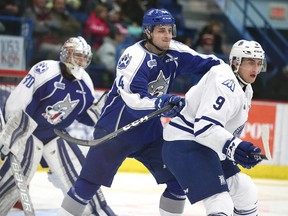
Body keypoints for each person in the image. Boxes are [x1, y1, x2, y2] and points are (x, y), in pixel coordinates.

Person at [58, 8, 223, 216]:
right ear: (148, 32)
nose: (167, 35)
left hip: (150, 131)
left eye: (170, 30)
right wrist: (161, 103)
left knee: (179, 180)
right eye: (161, 30)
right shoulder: (133, 57)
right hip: (116, 128)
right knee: (87, 185)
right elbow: (133, 100)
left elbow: (210, 64)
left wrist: (233, 72)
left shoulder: (176, 51)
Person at [0, 36, 116, 216]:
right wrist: (11, 135)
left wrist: (109, 116)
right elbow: (17, 104)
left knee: (82, 180)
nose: (82, 61)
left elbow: (88, 114)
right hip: (28, 133)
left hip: (55, 135)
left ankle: (95, 212)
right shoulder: (45, 70)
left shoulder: (85, 81)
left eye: (85, 57)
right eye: (78, 56)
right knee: (8, 188)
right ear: (66, 54)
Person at [162, 40, 266, 215]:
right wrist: (236, 147)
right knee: (220, 202)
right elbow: (205, 128)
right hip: (184, 143)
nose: (255, 68)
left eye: (258, 62)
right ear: (235, 62)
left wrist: (237, 149)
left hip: (207, 146)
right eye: (250, 62)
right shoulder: (224, 80)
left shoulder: (246, 89)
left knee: (245, 192)